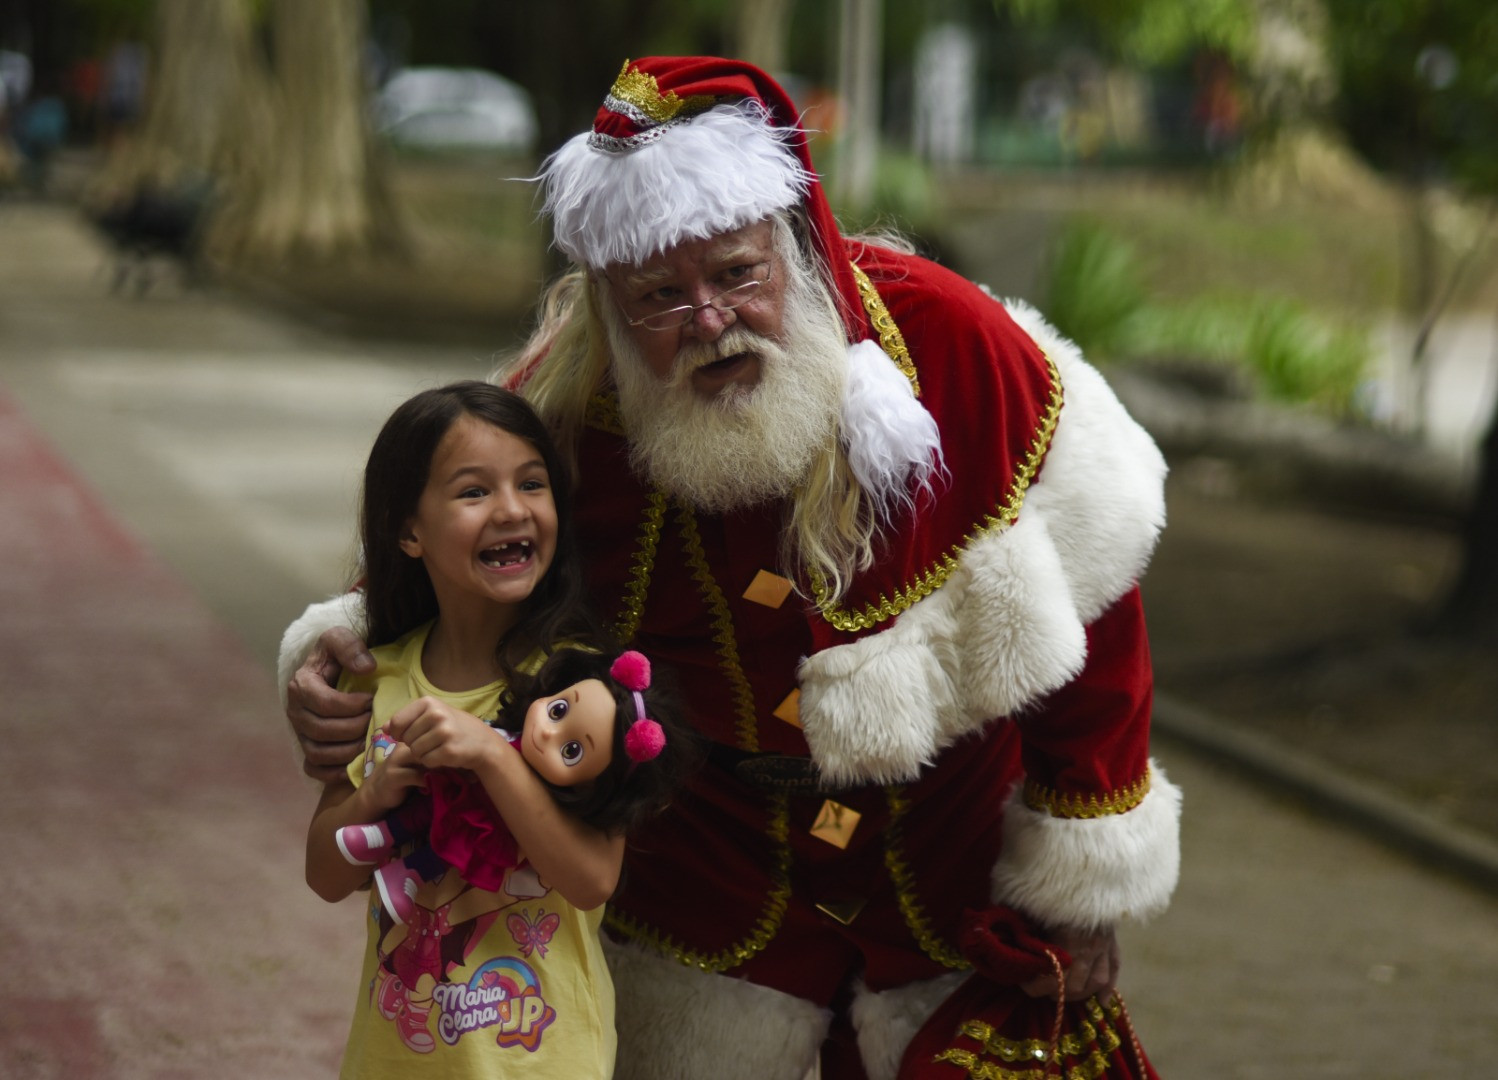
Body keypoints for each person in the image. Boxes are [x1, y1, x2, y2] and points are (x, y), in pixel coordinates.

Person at [283, 57, 1181, 1080]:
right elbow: (457, 526)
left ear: (795, 245)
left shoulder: (953, 344)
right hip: (699, 875)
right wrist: (349, 641)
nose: (709, 320)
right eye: (660, 295)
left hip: (949, 860)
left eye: (737, 274)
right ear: (611, 304)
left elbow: (1099, 616)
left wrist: (1078, 891)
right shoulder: (571, 406)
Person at [304, 379, 691, 1076]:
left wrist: (492, 754)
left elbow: (591, 878)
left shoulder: (580, 687)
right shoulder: (374, 678)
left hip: (544, 1061)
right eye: (474, 491)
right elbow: (326, 873)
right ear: (408, 529)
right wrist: (378, 793)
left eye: (532, 484)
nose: (512, 510)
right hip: (394, 1058)